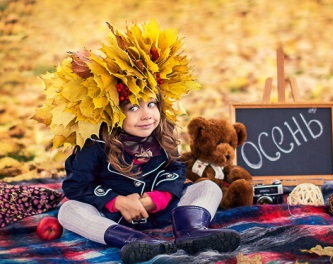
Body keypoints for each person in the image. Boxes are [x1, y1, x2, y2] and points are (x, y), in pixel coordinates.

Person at [32, 19, 241, 264]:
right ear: (113, 111)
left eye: (152, 104)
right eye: (133, 107)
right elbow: (77, 186)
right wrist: (116, 201)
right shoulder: (94, 145)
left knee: (208, 187)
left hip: (164, 212)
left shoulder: (161, 135)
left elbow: (174, 168)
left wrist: (159, 197)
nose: (147, 115)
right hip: (114, 218)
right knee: (69, 210)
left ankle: (191, 231)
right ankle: (134, 242)